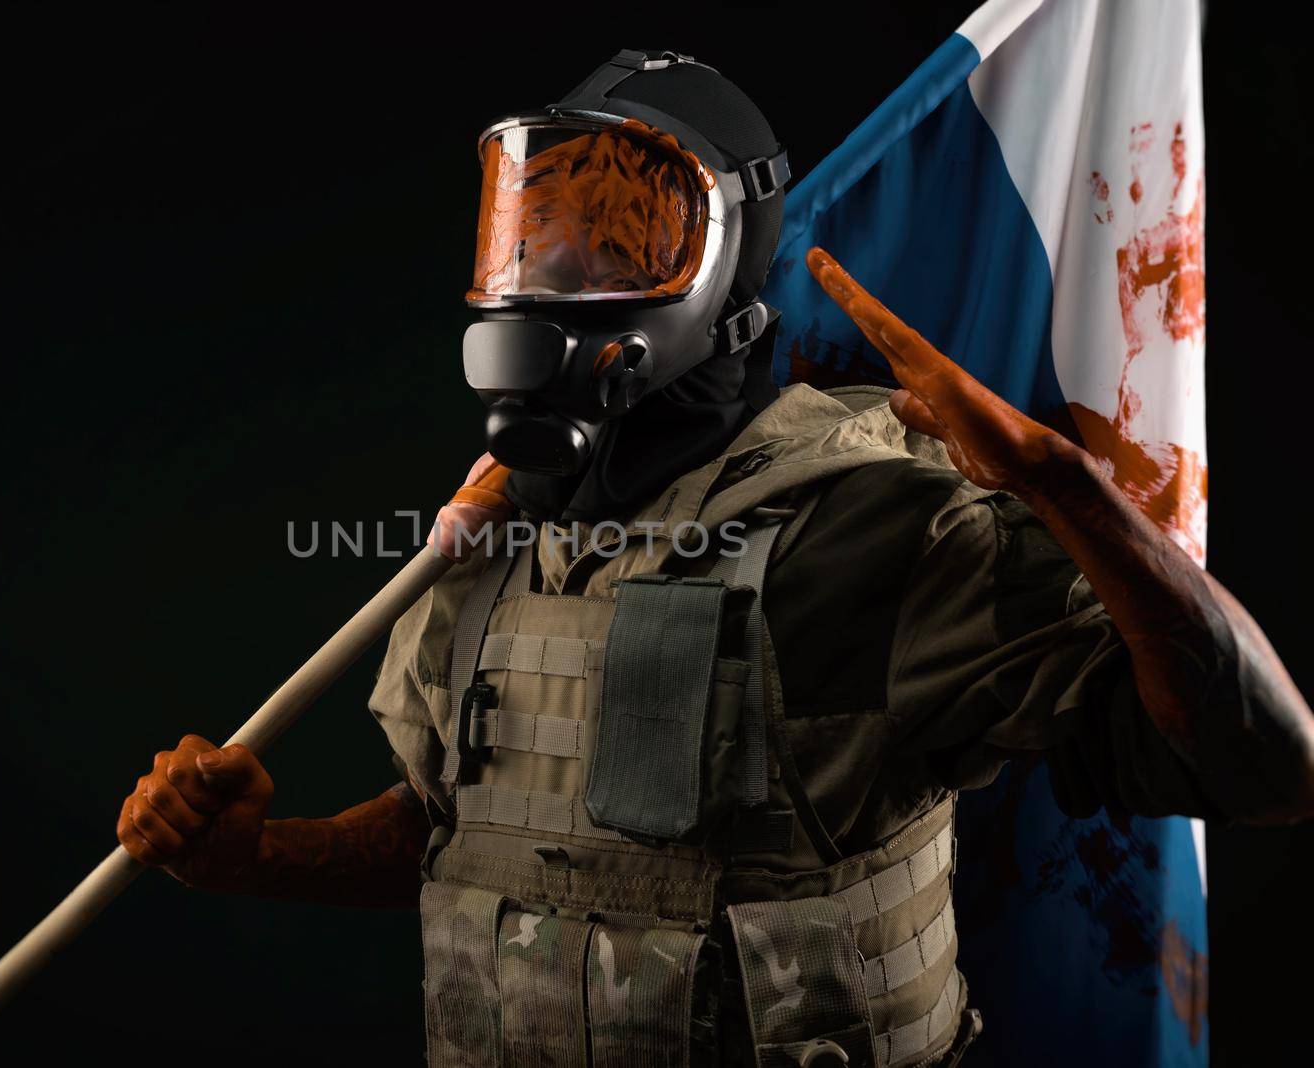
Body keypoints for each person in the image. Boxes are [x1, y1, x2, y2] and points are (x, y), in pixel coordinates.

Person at [113, 52, 1314, 1067]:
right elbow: (465, 842)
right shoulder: (486, 533)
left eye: (621, 235)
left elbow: (1265, 767)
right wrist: (256, 857)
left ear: (721, 265)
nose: (558, 279)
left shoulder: (869, 520)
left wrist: (1069, 492)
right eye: (534, 234)